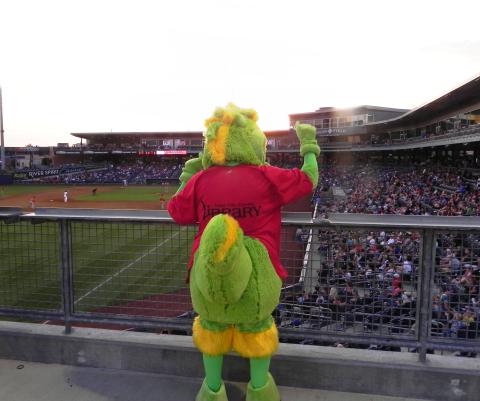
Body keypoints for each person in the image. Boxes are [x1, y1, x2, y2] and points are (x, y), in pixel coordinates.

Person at [168, 104, 319, 401]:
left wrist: (188, 178)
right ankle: (260, 390)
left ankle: (212, 390)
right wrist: (309, 146)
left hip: (207, 273)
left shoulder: (202, 180)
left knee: (211, 327)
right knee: (258, 327)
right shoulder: (266, 174)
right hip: (259, 273)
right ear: (254, 142)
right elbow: (308, 179)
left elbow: (177, 211)